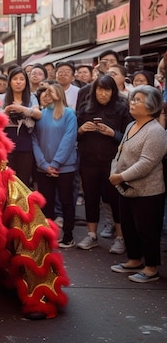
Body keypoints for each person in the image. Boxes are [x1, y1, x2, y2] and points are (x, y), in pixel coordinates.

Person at [109, 85, 167, 283]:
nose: (132, 103)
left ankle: (151, 269)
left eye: (138, 100)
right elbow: (120, 151)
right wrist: (114, 173)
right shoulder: (130, 125)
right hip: (125, 188)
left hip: (148, 191)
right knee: (129, 227)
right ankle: (134, 260)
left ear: (151, 106)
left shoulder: (156, 131)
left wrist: (121, 176)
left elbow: (147, 163)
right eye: (132, 99)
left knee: (148, 230)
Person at [76, 75, 132, 254]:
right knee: (91, 199)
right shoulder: (85, 108)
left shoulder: (121, 109)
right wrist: (81, 129)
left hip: (112, 163)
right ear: (94, 91)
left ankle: (120, 237)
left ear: (112, 91)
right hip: (88, 162)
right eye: (99, 89)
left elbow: (129, 138)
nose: (102, 94)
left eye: (106, 90)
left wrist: (112, 133)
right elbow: (74, 136)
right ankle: (92, 235)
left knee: (115, 200)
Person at [32, 83, 78, 248]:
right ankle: (48, 236)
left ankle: (68, 236)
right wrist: (44, 165)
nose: (46, 94)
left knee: (66, 202)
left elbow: (69, 139)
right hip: (44, 167)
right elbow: (34, 140)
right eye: (44, 92)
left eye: (50, 91)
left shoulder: (69, 114)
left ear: (59, 93)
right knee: (47, 204)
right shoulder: (40, 115)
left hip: (65, 167)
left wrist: (56, 163)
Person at [1, 67, 42, 186]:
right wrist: (5, 112)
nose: (18, 82)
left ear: (26, 82)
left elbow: (38, 114)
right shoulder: (1, 98)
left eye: (22, 79)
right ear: (10, 82)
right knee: (8, 181)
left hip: (25, 143)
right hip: (6, 143)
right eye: (15, 79)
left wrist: (22, 109)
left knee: (23, 181)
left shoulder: (31, 98)